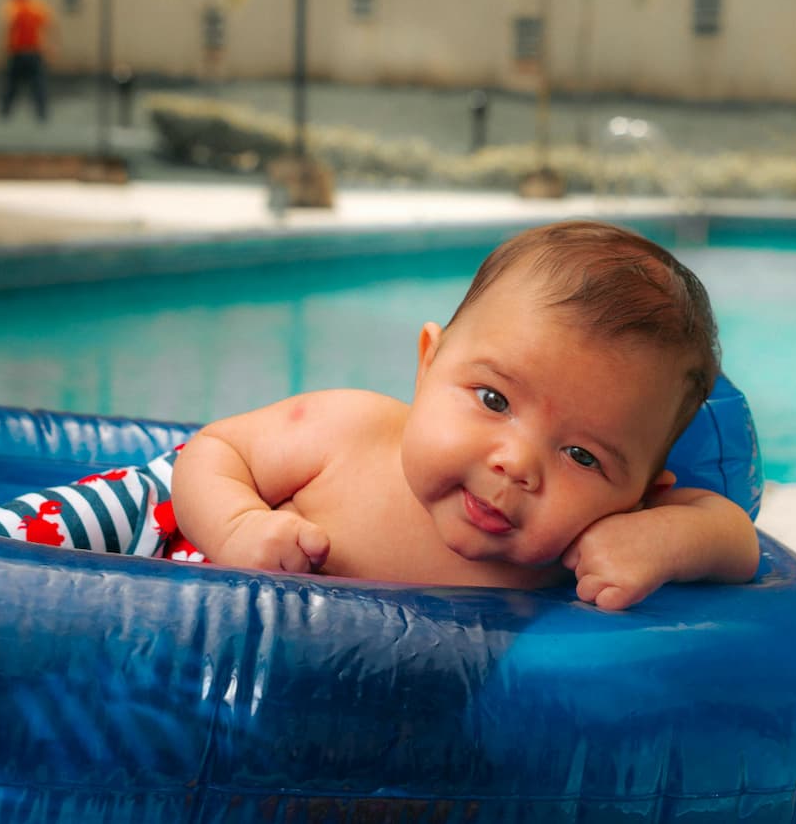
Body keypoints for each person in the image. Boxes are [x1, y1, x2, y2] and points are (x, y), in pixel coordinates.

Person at [170, 221, 760, 609]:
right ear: (429, 363)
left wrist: (661, 540)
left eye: (582, 456)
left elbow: (737, 538)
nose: (516, 463)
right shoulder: (347, 434)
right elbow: (217, 449)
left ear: (637, 494)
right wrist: (237, 528)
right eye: (494, 400)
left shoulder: (603, 528)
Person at [0, 0, 53, 122]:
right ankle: (41, 113)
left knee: (12, 83)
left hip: (18, 51)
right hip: (34, 51)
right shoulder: (37, 6)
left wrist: (5, 45)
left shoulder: (13, 6)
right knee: (37, 84)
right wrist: (49, 47)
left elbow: (9, 27)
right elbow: (47, 26)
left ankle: (5, 112)